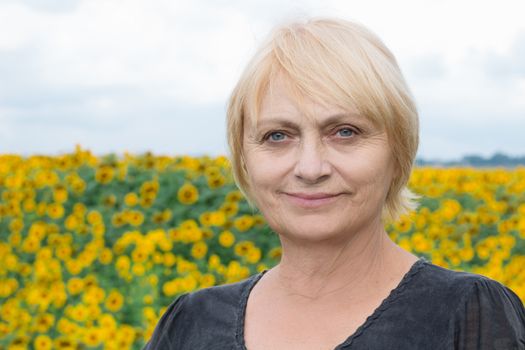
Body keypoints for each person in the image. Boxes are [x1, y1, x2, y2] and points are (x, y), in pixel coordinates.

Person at [144, 17, 525, 349]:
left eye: (345, 132)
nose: (310, 168)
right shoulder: (189, 323)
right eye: (278, 136)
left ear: (399, 153)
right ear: (244, 160)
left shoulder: (469, 315)